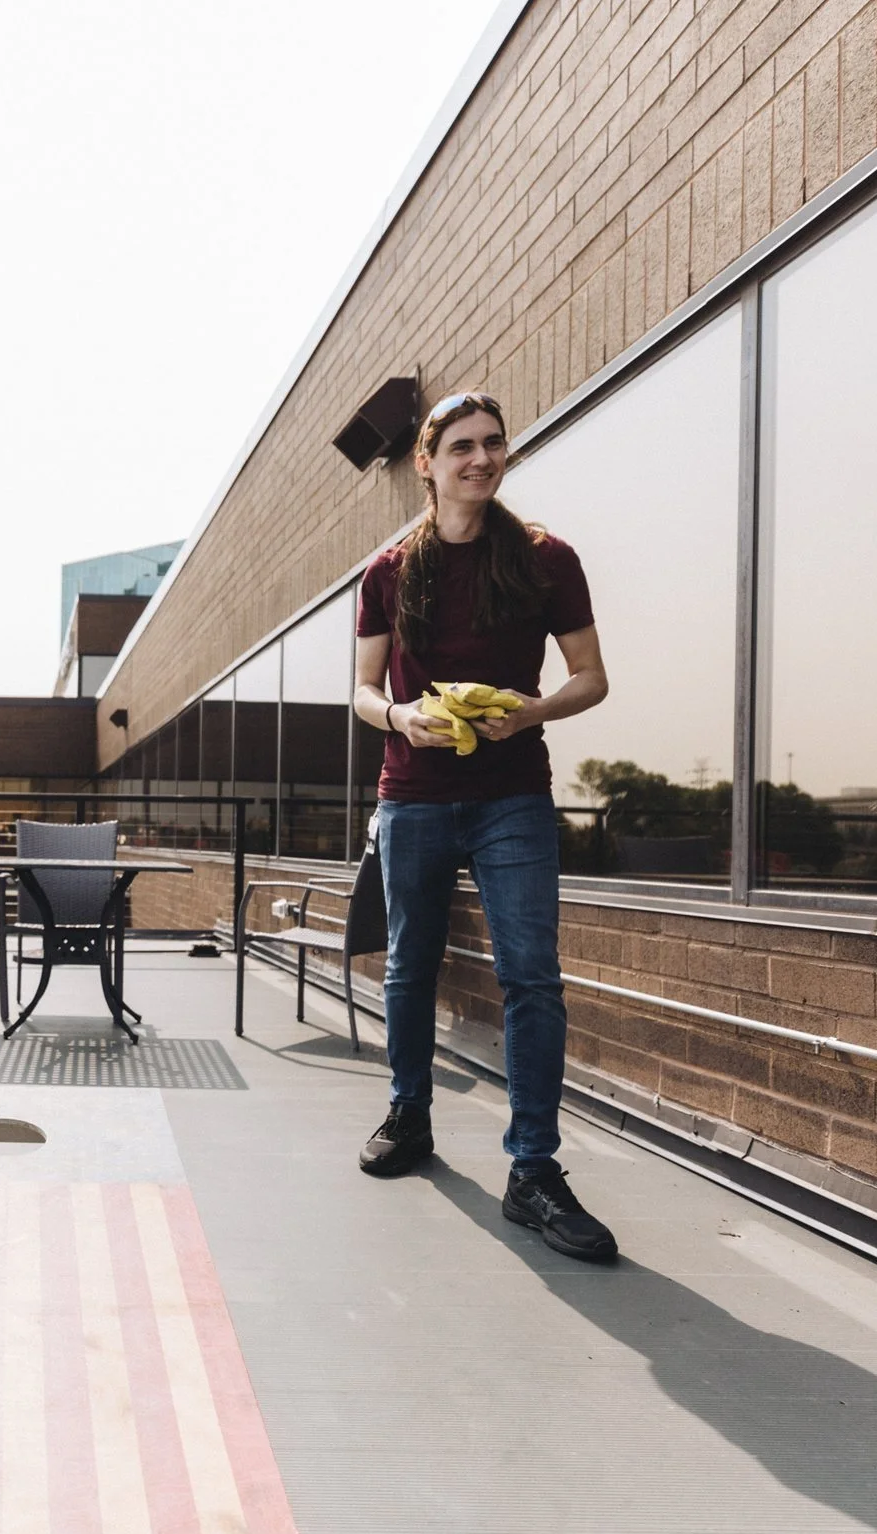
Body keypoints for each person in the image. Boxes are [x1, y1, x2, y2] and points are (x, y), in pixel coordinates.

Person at [348, 391, 618, 1262]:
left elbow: (592, 678)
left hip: (513, 794)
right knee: (409, 970)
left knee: (532, 977)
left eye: (493, 444)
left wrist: (530, 710)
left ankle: (533, 1170)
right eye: (461, 445)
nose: (481, 458)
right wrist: (400, 720)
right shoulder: (388, 570)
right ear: (425, 461)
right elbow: (361, 691)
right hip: (414, 794)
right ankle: (410, 1115)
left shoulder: (547, 559)